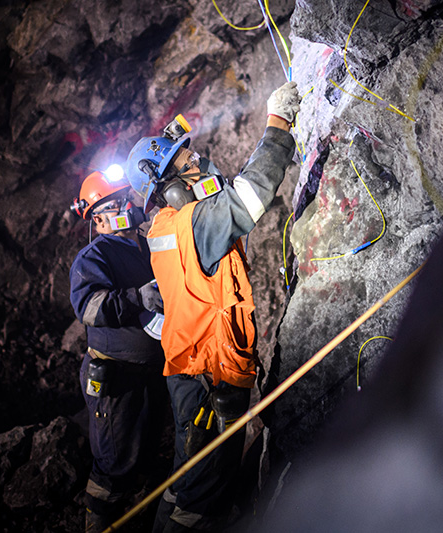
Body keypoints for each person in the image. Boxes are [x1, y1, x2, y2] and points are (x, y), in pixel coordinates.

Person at [124, 81, 301, 532]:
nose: (198, 161)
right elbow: (249, 196)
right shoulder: (192, 224)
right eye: (187, 162)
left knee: (195, 478)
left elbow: (219, 191)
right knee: (200, 495)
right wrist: (278, 125)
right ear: (168, 186)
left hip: (201, 371)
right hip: (207, 378)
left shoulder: (168, 228)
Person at [68, 169, 169, 532]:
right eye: (115, 203)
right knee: (114, 462)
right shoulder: (95, 255)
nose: (127, 205)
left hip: (152, 374)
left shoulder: (147, 245)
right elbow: (90, 308)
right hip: (116, 380)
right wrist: (135, 297)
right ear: (98, 219)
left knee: (148, 453)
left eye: (127, 196)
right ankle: (97, 525)